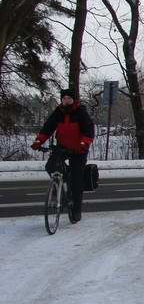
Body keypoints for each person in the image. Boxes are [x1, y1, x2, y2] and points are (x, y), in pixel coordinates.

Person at [31, 88, 95, 222]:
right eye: (64, 98)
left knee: (77, 180)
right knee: (50, 166)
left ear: (73, 100)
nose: (66, 101)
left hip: (78, 149)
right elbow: (48, 127)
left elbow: (88, 131)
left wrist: (83, 144)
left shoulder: (81, 112)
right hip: (62, 147)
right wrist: (38, 141)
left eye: (69, 99)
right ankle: (59, 183)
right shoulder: (59, 112)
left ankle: (76, 209)